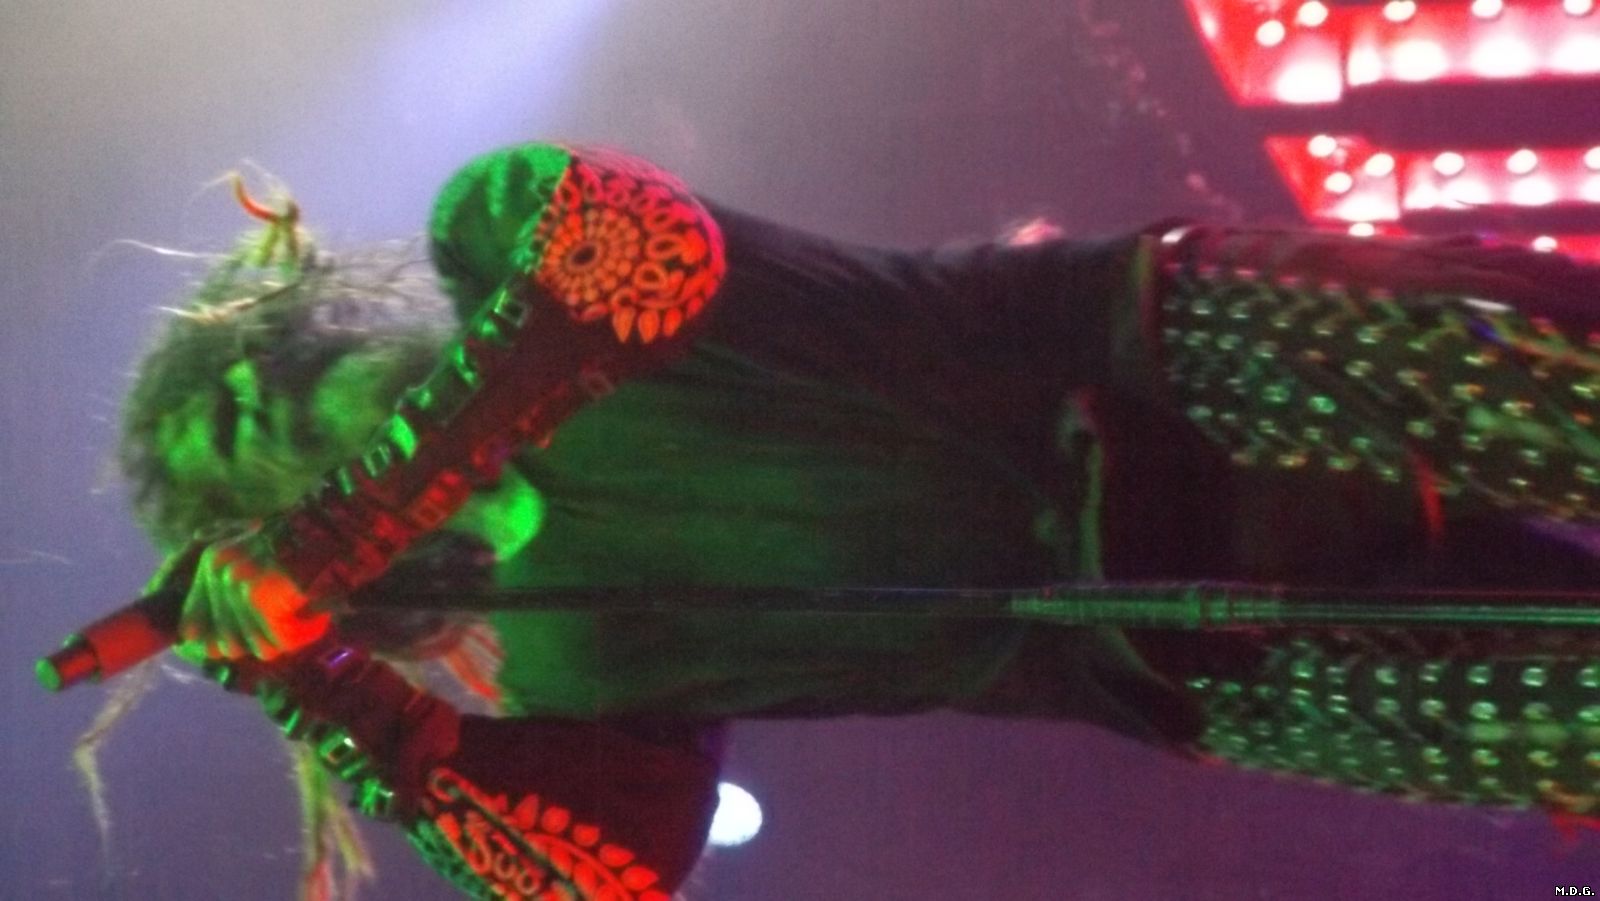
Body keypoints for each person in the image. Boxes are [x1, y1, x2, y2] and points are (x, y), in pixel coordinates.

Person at [113, 141, 1600, 899]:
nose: (262, 408)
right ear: (260, 522)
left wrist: (376, 500)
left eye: (252, 376)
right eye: (239, 449)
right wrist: (324, 693)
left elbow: (644, 251)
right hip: (1197, 657)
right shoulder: (567, 656)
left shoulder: (497, 235)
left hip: (1182, 351)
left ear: (307, 325)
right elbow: (611, 877)